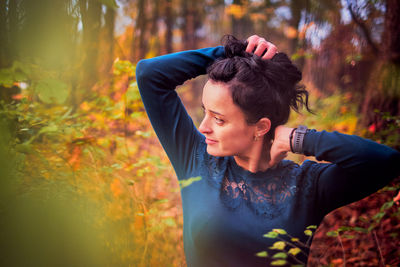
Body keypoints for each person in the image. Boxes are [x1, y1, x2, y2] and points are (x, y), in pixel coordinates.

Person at [136, 35, 400, 266]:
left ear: (261, 127)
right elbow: (150, 74)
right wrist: (234, 52)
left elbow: (385, 161)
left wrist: (301, 139)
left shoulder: (307, 186)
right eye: (205, 113)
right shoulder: (194, 158)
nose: (203, 127)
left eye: (219, 119)